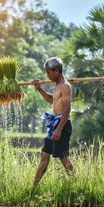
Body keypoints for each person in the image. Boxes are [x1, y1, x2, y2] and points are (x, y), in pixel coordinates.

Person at [32, 57, 74, 187]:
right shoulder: (57, 86)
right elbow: (52, 100)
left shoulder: (65, 86)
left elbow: (67, 108)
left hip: (62, 124)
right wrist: (39, 89)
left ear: (56, 71)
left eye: (49, 72)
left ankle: (75, 184)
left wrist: (59, 129)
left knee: (63, 157)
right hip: (55, 124)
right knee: (44, 154)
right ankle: (33, 186)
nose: (47, 75)